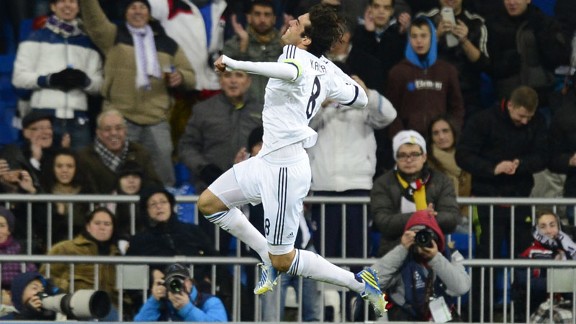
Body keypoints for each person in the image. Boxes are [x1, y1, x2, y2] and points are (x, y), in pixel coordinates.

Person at [199, 4, 388, 317]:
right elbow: (361, 98)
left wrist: (234, 62)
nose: (288, 23)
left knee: (285, 259)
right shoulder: (324, 66)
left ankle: (359, 282)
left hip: (284, 170)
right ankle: (266, 257)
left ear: (305, 40)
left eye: (297, 23)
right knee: (209, 204)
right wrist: (335, 80)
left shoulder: (294, 56)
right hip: (266, 160)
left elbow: (290, 71)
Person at [78, 0, 196, 186]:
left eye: (142, 7)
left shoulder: (167, 43)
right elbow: (93, 20)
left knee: (163, 172)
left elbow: (190, 76)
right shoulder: (114, 36)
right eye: (132, 7)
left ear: (149, 14)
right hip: (120, 117)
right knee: (116, 174)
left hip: (156, 118)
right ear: (125, 13)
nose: (137, 11)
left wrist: (180, 77)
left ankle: (165, 209)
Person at [455, 85, 549, 321]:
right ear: (509, 105)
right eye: (521, 116)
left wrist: (521, 164)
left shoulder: (536, 123)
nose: (525, 121)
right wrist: (492, 169)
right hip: (487, 201)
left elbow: (543, 155)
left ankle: (524, 315)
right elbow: (463, 155)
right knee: (486, 262)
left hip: (521, 201)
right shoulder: (483, 121)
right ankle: (479, 316)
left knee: (524, 262)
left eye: (529, 117)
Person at [307, 70, 397, 261]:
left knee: (358, 252)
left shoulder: (363, 105)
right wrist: (319, 102)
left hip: (359, 188)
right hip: (324, 188)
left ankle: (357, 291)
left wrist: (367, 93)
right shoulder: (316, 106)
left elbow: (389, 115)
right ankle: (325, 292)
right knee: (324, 254)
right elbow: (298, 125)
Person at [12, 0, 103, 150]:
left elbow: (99, 86)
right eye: (62, 1)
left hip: (79, 120)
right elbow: (18, 79)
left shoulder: (88, 42)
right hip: (43, 117)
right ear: (53, 6)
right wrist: (49, 79)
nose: (67, 5)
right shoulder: (34, 37)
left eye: (72, 1)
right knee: (44, 170)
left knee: (81, 171)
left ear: (79, 7)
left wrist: (85, 81)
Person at [126, 187, 218, 317]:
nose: (159, 207)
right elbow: (130, 276)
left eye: (163, 202)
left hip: (197, 294)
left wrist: (203, 279)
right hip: (157, 299)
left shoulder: (192, 231)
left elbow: (215, 259)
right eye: (153, 204)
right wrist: (151, 275)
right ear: (146, 211)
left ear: (171, 205)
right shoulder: (138, 241)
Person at [371, 130, 460, 257]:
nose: (409, 160)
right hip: (393, 250)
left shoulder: (441, 180)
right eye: (403, 155)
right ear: (396, 159)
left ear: (424, 157)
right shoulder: (383, 183)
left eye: (414, 154)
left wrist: (425, 218)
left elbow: (451, 219)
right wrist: (422, 217)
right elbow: (384, 222)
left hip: (433, 249)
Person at [370, 210, 470, 321]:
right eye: (416, 235)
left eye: (426, 235)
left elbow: (461, 287)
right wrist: (401, 249)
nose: (421, 240)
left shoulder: (448, 255)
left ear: (436, 236)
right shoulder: (401, 258)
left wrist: (436, 258)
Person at [386, 16, 464, 138]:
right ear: (409, 39)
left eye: (423, 36)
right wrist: (400, 137)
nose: (419, 41)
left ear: (432, 38)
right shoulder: (398, 72)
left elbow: (457, 107)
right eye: (414, 36)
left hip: (440, 139)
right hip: (409, 141)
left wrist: (451, 132)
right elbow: (391, 111)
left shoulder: (447, 71)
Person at [39, 207, 120, 321]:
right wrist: (65, 288)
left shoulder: (117, 255)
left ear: (113, 228)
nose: (102, 228)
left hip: (108, 310)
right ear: (88, 226)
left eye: (107, 224)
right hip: (73, 308)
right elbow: (44, 277)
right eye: (97, 223)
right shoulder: (65, 248)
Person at [486, 0, 570, 105]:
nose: (511, 2)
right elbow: (488, 64)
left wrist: (543, 39)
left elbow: (560, 57)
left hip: (542, 94)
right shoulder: (493, 25)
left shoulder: (544, 22)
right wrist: (504, 64)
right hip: (508, 97)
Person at [419, 0, 490, 120]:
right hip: (433, 92)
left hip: (468, 95)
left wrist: (465, 41)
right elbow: (415, 60)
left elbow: (485, 65)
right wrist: (436, 36)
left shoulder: (476, 22)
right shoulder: (424, 21)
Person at [78, 109, 162, 194]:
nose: (114, 133)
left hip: (134, 207)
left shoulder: (140, 153)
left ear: (125, 131)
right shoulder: (85, 157)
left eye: (118, 128)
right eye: (107, 129)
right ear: (98, 133)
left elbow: (153, 186)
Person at [513, 210, 576, 321]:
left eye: (552, 225)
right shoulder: (528, 252)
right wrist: (559, 282)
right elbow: (525, 282)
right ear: (536, 230)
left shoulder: (570, 251)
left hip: (568, 304)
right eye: (543, 227)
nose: (548, 231)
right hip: (540, 307)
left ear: (559, 227)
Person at [222, 0, 284, 104]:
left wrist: (285, 48)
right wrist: (243, 49)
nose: (262, 19)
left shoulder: (284, 45)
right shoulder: (234, 44)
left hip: (277, 107)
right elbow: (225, 75)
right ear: (249, 17)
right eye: (257, 14)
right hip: (244, 109)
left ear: (274, 19)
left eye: (267, 15)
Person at [40, 148, 96, 245]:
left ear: (77, 168)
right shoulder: (44, 192)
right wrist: (59, 215)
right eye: (59, 166)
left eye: (69, 166)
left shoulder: (88, 193)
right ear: (52, 168)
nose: (64, 170)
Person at [134, 263, 228, 322]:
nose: (177, 285)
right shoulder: (160, 302)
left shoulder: (210, 302)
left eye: (182, 280)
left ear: (190, 282)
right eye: (173, 282)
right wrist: (154, 300)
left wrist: (187, 309)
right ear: (166, 284)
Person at [351, 0, 408, 92]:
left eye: (386, 8)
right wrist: (368, 33)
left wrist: (401, 36)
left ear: (392, 11)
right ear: (369, 8)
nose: (381, 11)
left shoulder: (398, 34)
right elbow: (359, 66)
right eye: (376, 6)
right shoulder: (358, 32)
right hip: (362, 94)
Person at [425, 116, 471, 224]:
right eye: (435, 133)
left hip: (464, 218)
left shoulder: (467, 160)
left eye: (445, 131)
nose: (441, 137)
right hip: (436, 219)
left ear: (454, 132)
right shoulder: (425, 163)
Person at [0, 207, 37, 295]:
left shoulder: (20, 249)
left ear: (9, 230)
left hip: (15, 295)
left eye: (1, 226)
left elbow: (32, 276)